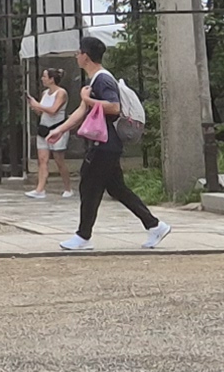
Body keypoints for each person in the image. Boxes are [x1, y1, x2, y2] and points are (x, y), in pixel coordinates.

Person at [58, 33, 169, 252]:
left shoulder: (102, 79)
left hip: (104, 145)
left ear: (86, 56)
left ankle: (83, 236)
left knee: (89, 185)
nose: (76, 56)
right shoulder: (95, 80)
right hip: (107, 145)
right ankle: (154, 225)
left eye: (78, 52)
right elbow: (82, 110)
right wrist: (59, 130)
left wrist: (87, 99)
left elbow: (114, 106)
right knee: (117, 189)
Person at [25, 60, 71, 196]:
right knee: (42, 160)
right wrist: (34, 106)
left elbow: (53, 110)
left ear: (51, 79)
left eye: (45, 76)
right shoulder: (45, 93)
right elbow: (41, 112)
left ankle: (68, 188)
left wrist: (37, 105)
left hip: (57, 129)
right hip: (44, 128)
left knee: (59, 160)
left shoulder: (61, 93)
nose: (42, 79)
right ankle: (40, 189)